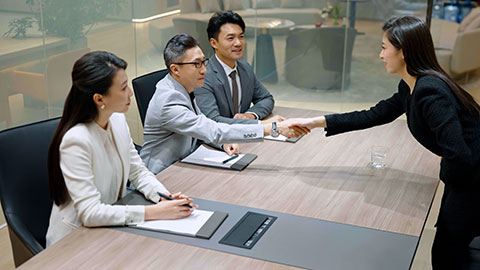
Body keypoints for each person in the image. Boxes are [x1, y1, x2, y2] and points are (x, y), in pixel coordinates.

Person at [288, 16, 480, 269]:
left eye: (384, 47)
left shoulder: (431, 92)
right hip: (467, 178)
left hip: (473, 183)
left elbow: (461, 159)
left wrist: (445, 166)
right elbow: (374, 114)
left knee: (446, 254)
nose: (380, 55)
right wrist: (314, 122)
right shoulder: (411, 85)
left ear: (403, 51)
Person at [46, 51, 197, 247]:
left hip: (111, 226)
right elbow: (90, 213)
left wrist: (163, 197)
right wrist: (152, 213)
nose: (131, 93)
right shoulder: (76, 141)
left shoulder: (116, 120)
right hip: (75, 239)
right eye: (124, 88)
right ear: (99, 99)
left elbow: (138, 172)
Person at [140, 34, 307, 174]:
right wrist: (271, 128)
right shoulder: (168, 101)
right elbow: (212, 130)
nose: (204, 69)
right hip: (163, 174)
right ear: (175, 69)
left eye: (204, 62)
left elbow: (203, 124)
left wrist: (223, 143)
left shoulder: (186, 86)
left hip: (188, 163)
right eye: (196, 64)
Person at [194, 11, 282, 124]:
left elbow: (266, 99)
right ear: (214, 43)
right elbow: (212, 121)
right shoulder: (203, 75)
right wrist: (260, 124)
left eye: (241, 37)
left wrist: (250, 115)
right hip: (217, 140)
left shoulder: (245, 68)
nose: (238, 43)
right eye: (230, 38)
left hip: (244, 138)